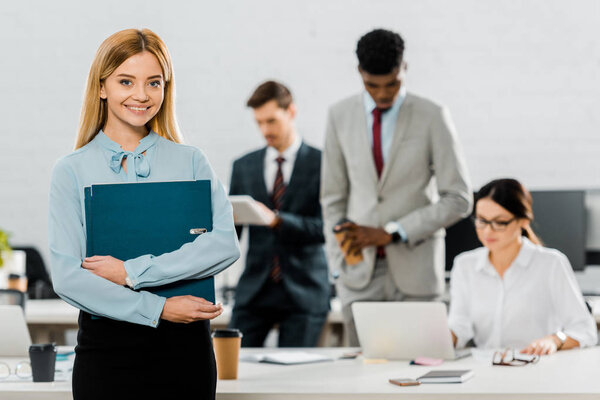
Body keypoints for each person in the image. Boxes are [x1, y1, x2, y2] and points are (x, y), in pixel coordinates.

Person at [48, 29, 240, 399]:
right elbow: (69, 277)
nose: (141, 95)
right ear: (101, 86)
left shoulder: (192, 161)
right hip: (107, 354)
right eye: (126, 81)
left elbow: (224, 245)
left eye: (154, 82)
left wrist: (131, 272)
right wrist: (159, 308)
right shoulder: (71, 170)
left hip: (186, 354)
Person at [320, 28, 472, 346]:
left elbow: (458, 198)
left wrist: (393, 231)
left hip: (416, 272)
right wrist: (338, 263)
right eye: (372, 86)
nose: (383, 94)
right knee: (359, 382)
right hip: (359, 274)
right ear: (360, 73)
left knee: (418, 375)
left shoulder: (433, 115)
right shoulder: (339, 116)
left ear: (405, 68)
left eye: (392, 84)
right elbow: (333, 198)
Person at [228, 81, 330, 347]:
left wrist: (275, 220)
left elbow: (326, 228)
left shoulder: (324, 163)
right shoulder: (243, 166)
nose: (265, 130)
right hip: (254, 291)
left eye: (271, 121)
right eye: (259, 123)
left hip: (304, 291)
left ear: (291, 112)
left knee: (294, 380)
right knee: (230, 371)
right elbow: (231, 237)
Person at [448, 179, 597, 355]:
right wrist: (442, 337)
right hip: (485, 366)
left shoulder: (551, 264)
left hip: (536, 365)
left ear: (523, 221)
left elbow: (585, 330)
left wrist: (554, 340)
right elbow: (460, 325)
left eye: (500, 222)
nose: (488, 231)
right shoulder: (465, 265)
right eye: (482, 221)